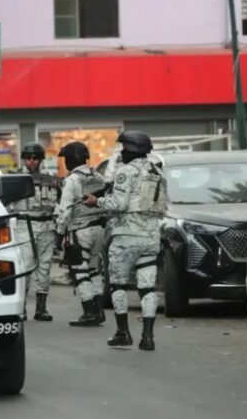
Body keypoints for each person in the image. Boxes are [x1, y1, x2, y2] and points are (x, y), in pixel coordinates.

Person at [85, 131, 167, 350]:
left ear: (131, 150)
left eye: (124, 149)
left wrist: (97, 201)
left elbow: (118, 204)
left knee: (119, 284)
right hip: (151, 235)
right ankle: (148, 337)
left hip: (126, 236)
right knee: (147, 288)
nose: (122, 152)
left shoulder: (125, 172)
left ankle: (123, 332)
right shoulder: (158, 172)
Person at [55, 142, 108, 327]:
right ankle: (99, 310)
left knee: (80, 270)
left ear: (71, 159)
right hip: (99, 229)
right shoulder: (98, 177)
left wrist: (59, 234)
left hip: (80, 230)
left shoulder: (72, 180)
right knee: (95, 269)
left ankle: (88, 312)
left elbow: (65, 210)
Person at [10, 143, 60, 321]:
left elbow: (61, 203)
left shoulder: (51, 179)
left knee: (45, 268)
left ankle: (41, 308)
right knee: (25, 267)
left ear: (41, 159)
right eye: (29, 158)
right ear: (24, 159)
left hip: (46, 225)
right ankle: (20, 308)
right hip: (25, 224)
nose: (32, 161)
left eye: (35, 158)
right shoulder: (15, 179)